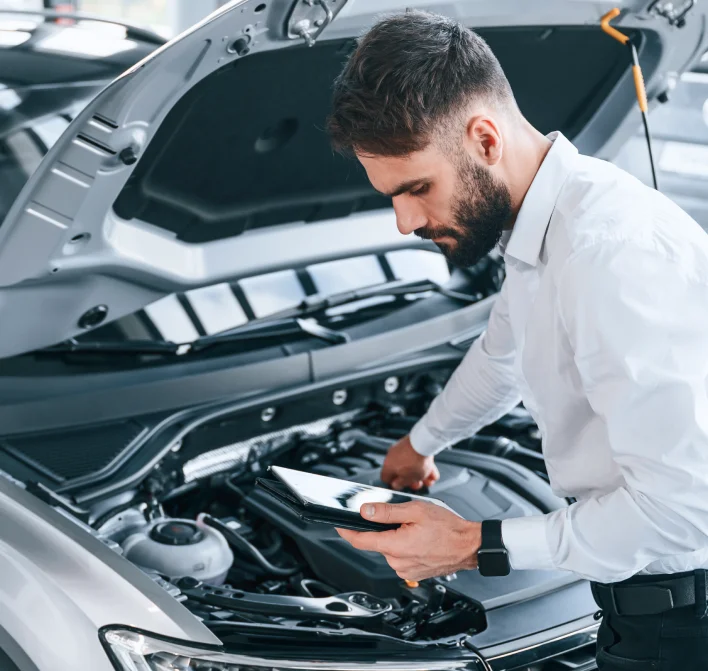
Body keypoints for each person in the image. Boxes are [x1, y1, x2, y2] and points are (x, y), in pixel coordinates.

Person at [326, 11, 708, 671]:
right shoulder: (545, 227)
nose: (404, 221)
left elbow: (683, 506)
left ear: (483, 137)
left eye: (417, 188)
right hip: (638, 600)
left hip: (683, 625)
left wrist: (478, 542)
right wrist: (419, 445)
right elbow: (501, 355)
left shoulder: (608, 252)